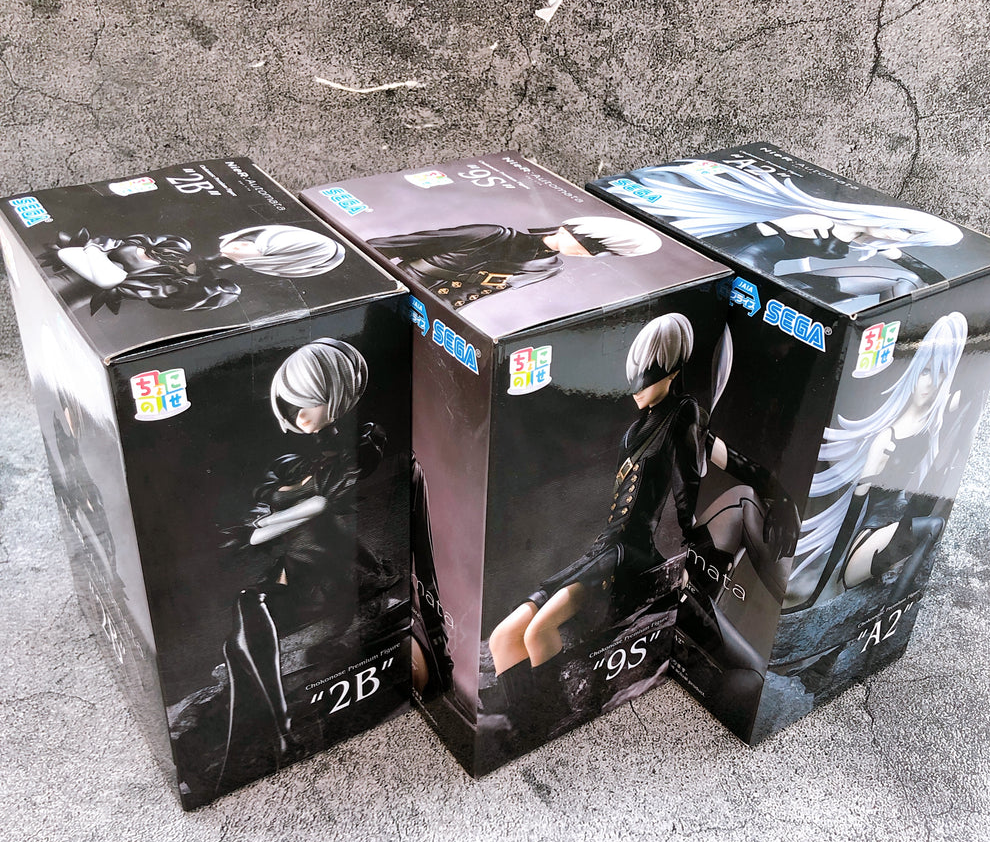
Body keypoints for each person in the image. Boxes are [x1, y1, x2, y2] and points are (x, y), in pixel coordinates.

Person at [487, 313, 799, 739]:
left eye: (647, 373)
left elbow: (698, 483)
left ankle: (545, 725)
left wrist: (777, 494)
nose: (635, 384)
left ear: (671, 370)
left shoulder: (685, 413)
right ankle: (528, 726)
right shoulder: (633, 433)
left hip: (631, 558)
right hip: (602, 552)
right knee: (503, 637)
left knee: (539, 631)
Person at [217, 338, 396, 789]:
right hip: (298, 569)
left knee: (246, 614)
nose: (296, 415)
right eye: (289, 404)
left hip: (332, 571)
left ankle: (279, 735)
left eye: (305, 402)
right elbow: (269, 505)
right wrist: (262, 522)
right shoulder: (291, 461)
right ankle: (271, 739)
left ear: (335, 392)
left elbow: (319, 505)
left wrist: (259, 529)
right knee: (236, 642)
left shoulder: (360, 444)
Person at [788, 311, 968, 608]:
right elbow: (853, 514)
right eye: (926, 372)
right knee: (933, 526)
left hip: (898, 531)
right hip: (868, 544)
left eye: (939, 375)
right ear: (915, 371)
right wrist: (822, 588)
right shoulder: (887, 439)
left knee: (928, 524)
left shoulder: (933, 424)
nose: (930, 384)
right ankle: (892, 609)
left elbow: (968, 395)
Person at [608, 160, 962, 308]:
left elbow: (931, 277)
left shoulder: (862, 239)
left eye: (912, 236)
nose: (899, 237)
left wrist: (900, 248)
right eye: (904, 228)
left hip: (760, 276)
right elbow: (745, 237)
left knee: (905, 281)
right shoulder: (820, 219)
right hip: (746, 263)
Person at [368, 215, 662, 310]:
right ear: (570, 229)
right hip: (394, 292)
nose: (589, 254)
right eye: (591, 245)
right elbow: (386, 247)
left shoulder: (549, 267)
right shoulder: (491, 234)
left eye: (601, 253)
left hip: (433, 313)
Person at [42, 224, 345, 314]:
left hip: (64, 300)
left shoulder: (212, 290)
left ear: (271, 264)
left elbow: (114, 280)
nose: (243, 245)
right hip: (52, 279)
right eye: (255, 238)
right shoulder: (176, 243)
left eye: (261, 251)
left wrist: (96, 253)